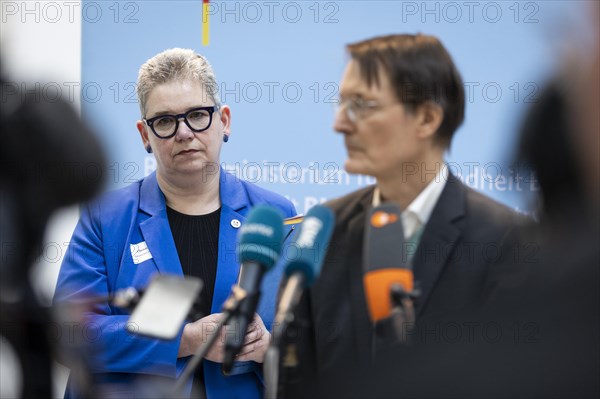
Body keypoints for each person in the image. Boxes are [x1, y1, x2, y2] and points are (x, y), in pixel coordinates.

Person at [283, 34, 524, 395]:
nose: (340, 123)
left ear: (426, 118)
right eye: (341, 103)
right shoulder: (324, 228)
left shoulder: (506, 241)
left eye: (362, 105)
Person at [54, 48, 296, 399]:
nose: (183, 133)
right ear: (144, 135)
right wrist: (185, 340)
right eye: (165, 121)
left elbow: (308, 339)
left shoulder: (273, 215)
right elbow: (70, 333)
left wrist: (268, 346)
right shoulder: (106, 217)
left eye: (197, 115)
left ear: (224, 120)